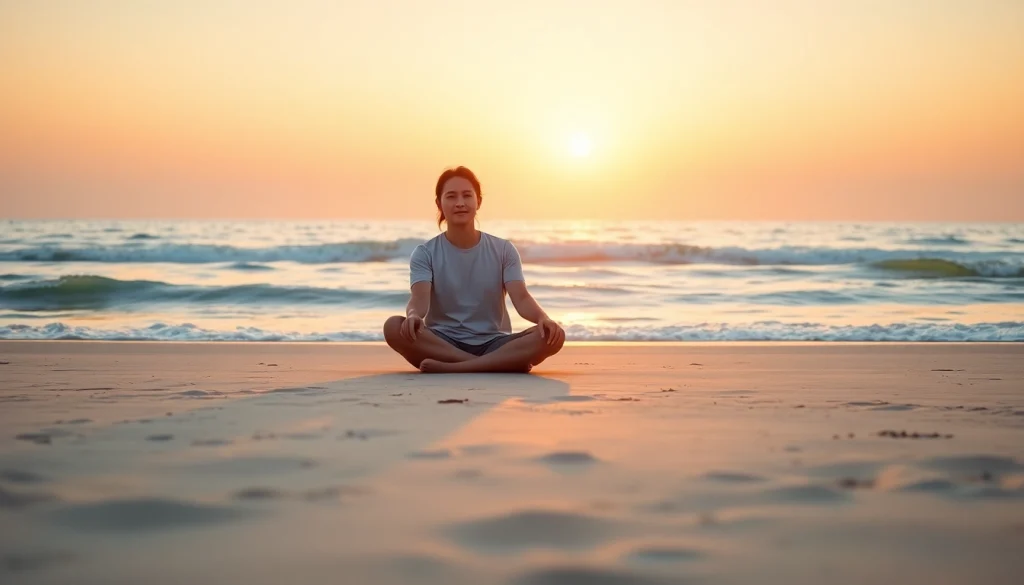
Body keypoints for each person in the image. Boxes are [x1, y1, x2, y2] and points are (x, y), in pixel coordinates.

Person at [383, 166, 565, 373]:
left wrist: (544, 319)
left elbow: (521, 298)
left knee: (554, 336)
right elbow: (418, 300)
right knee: (393, 327)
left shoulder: (503, 249)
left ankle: (458, 367)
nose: (460, 203)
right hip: (443, 343)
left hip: (494, 343)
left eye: (467, 196)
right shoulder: (425, 253)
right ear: (439, 203)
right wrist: (414, 315)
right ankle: (492, 364)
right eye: (451, 196)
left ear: (478, 201)